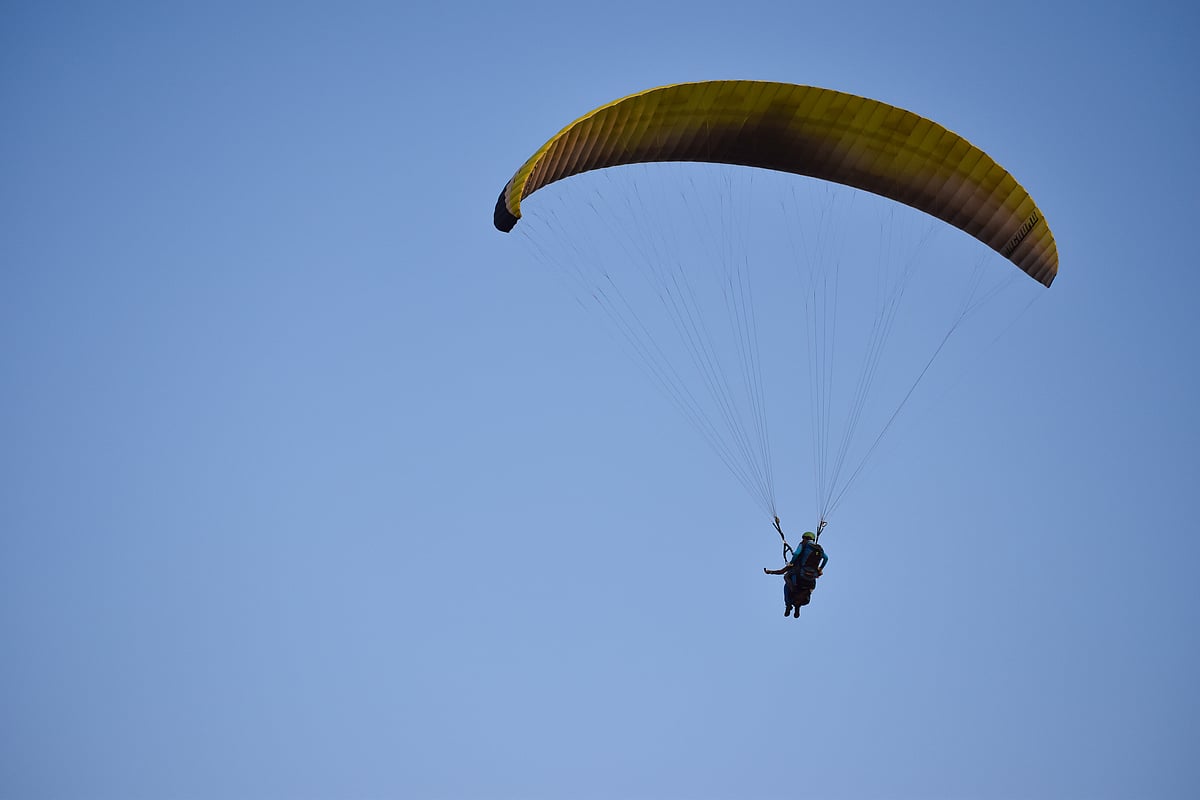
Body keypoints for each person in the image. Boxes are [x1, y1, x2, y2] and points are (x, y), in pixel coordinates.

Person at [764, 531, 828, 618]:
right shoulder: (819, 549)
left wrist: (791, 562)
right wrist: (820, 569)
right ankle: (797, 607)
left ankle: (788, 605)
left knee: (786, 578)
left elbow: (797, 553)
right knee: (808, 589)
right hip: (811, 579)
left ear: (804, 538)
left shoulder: (803, 544)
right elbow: (826, 558)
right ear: (813, 539)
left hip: (800, 575)